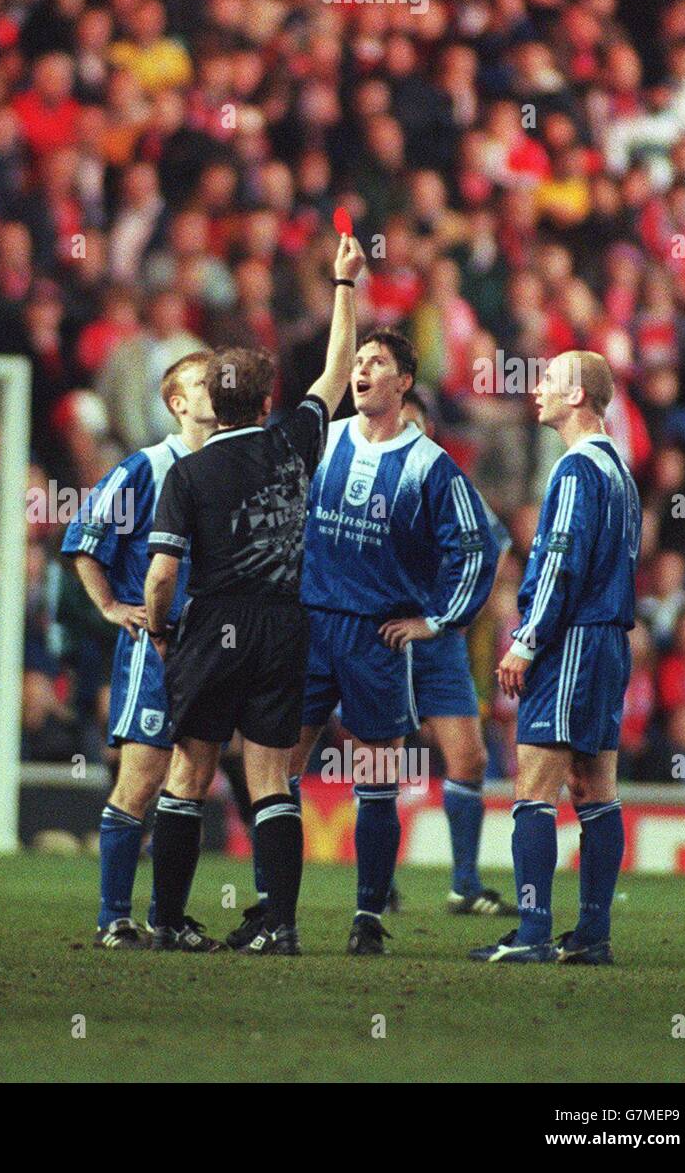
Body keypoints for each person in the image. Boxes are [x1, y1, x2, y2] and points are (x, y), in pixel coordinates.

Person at [141, 232, 365, 956]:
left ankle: (169, 920)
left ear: (213, 402)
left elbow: (163, 573)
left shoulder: (188, 473)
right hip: (282, 624)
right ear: (268, 401)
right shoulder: (293, 440)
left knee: (190, 771)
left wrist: (159, 626)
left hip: (214, 624)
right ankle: (281, 924)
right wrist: (344, 283)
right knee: (272, 778)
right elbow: (337, 369)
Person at [284, 330, 500, 957]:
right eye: (357, 361)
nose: (361, 369)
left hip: (376, 638)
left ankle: (368, 915)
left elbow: (478, 548)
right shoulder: (325, 439)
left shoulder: (430, 466)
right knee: (278, 769)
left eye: (376, 362)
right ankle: (274, 913)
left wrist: (438, 620)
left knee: (376, 778)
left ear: (403, 382)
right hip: (312, 626)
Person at [473, 351, 639, 964]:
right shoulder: (619, 471)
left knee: (534, 787)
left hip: (573, 640)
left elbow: (560, 564)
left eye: (549, 380)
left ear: (576, 396)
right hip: (610, 641)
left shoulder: (574, 470)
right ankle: (593, 935)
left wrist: (525, 640)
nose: (536, 388)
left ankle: (533, 932)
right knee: (594, 787)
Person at [61, 349, 217, 948]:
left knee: (191, 784)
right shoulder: (146, 467)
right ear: (177, 403)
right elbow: (85, 538)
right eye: (202, 383)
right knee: (143, 780)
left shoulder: (227, 467)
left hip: (211, 649)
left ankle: (167, 918)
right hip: (155, 647)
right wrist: (109, 606)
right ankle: (113, 918)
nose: (216, 388)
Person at [398, 388, 518, 918]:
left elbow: (496, 545)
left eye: (415, 425)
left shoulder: (451, 485)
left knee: (470, 757)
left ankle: (465, 885)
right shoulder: (366, 480)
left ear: (429, 430)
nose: (408, 433)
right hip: (384, 638)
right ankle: (375, 888)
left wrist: (466, 609)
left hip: (439, 640)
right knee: (377, 759)